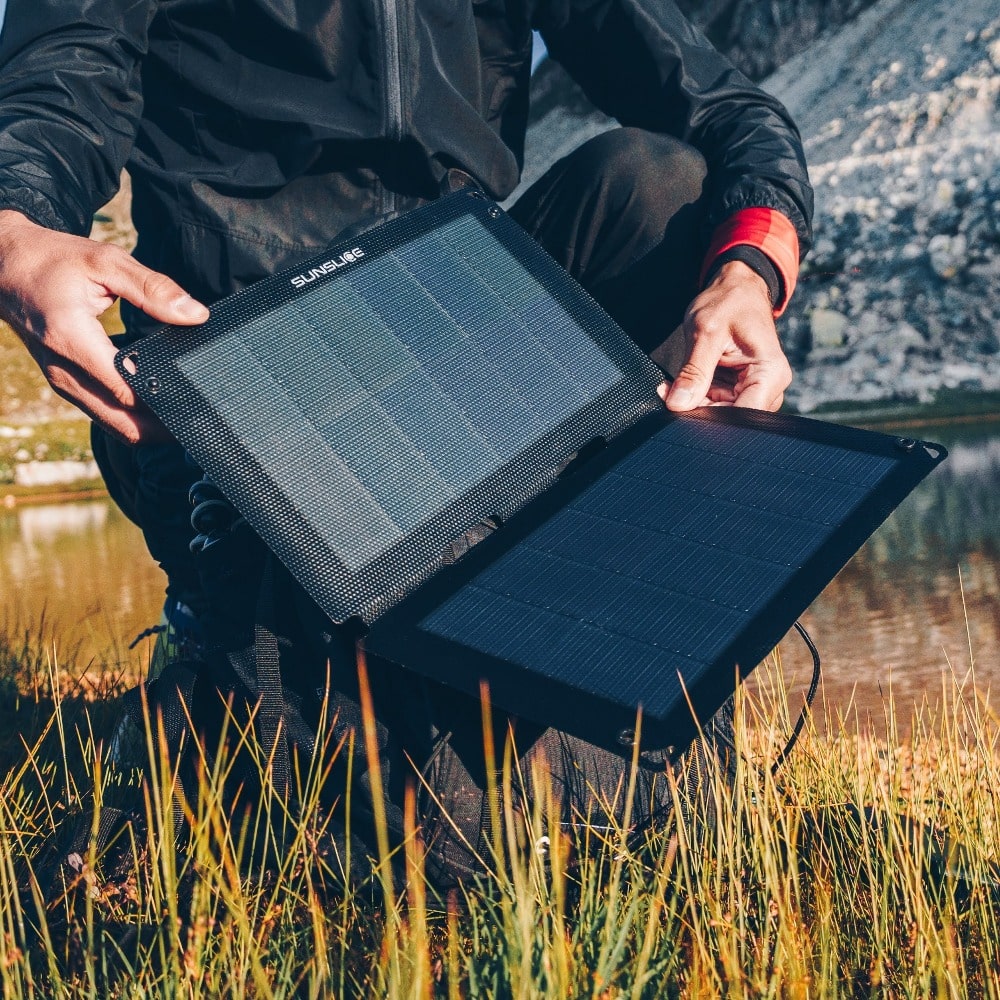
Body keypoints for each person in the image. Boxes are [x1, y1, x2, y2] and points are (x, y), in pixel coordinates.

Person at [0, 0, 813, 886]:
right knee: (402, 792)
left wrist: (750, 269)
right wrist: (18, 226)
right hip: (238, 363)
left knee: (658, 186)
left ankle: (614, 651)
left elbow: (729, 111)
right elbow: (62, 77)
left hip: (464, 340)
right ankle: (229, 641)